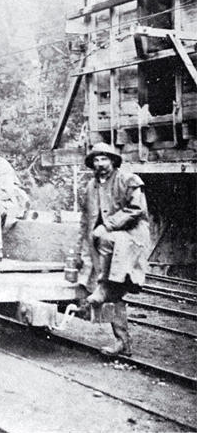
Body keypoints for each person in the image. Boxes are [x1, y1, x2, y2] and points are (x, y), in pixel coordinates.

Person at [75, 143, 150, 357]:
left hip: (128, 238)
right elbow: (85, 220)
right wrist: (82, 247)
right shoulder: (91, 185)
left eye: (104, 159)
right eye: (96, 160)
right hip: (102, 245)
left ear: (113, 161)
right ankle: (123, 343)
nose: (100, 164)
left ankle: (104, 290)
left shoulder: (128, 179)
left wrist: (107, 226)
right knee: (111, 293)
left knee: (111, 288)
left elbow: (136, 210)